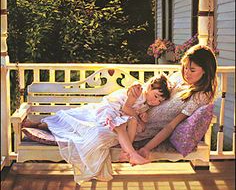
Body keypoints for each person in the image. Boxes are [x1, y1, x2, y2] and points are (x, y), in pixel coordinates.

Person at [23, 73, 171, 183]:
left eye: (160, 100)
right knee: (76, 122)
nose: (156, 102)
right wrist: (140, 119)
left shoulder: (146, 103)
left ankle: (128, 152)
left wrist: (142, 117)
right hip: (110, 109)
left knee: (128, 122)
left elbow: (133, 112)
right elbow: (126, 108)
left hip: (120, 114)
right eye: (156, 96)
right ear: (150, 86)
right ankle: (38, 124)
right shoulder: (137, 91)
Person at [128, 44, 218, 159]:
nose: (187, 73)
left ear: (205, 70)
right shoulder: (178, 78)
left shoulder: (200, 96)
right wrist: (136, 87)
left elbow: (170, 126)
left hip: (138, 129)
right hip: (134, 112)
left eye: (192, 70)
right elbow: (151, 90)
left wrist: (147, 148)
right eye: (185, 67)